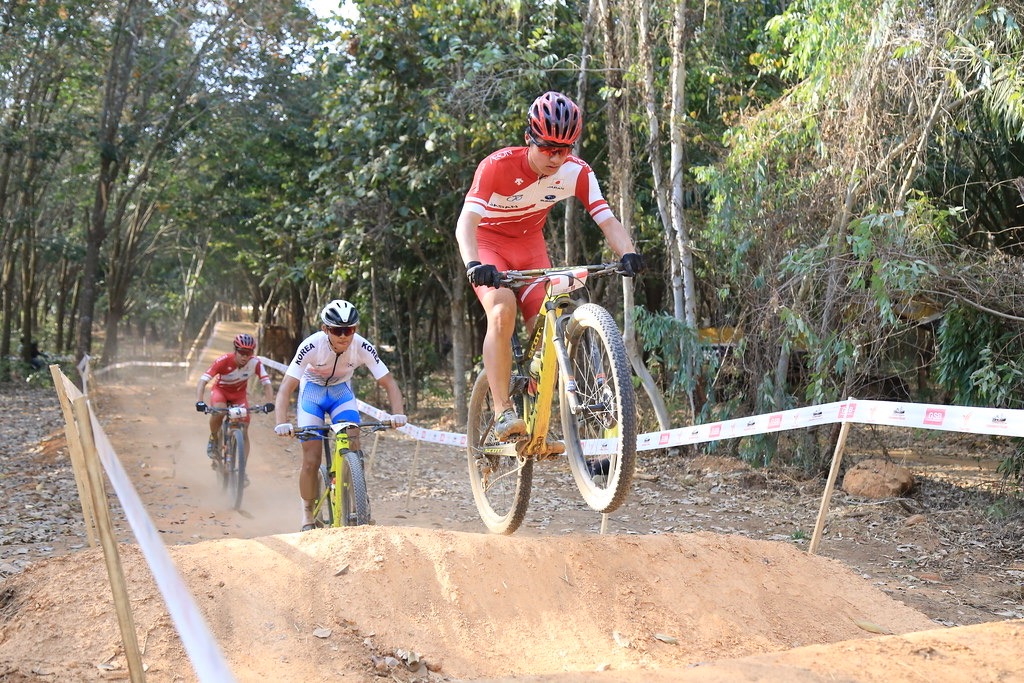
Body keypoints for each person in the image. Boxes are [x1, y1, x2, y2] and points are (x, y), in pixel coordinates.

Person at [455, 90, 644, 446]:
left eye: (565, 148)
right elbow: (466, 222)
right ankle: (501, 410)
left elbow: (607, 221)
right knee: (501, 309)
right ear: (530, 138)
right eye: (548, 147)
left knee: (548, 330)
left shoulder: (577, 172)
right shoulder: (496, 166)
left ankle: (542, 415)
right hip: (489, 244)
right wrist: (474, 264)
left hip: (530, 247)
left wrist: (629, 253)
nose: (556, 157)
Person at [273, 299, 407, 532]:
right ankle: (306, 511)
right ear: (325, 329)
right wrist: (282, 422)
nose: (344, 336)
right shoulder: (311, 345)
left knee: (354, 444)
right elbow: (286, 388)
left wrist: (398, 414)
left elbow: (389, 383)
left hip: (340, 394)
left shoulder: (362, 346)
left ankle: (357, 499)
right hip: (312, 395)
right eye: (337, 330)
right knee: (312, 460)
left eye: (350, 330)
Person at [194, 333, 275, 471]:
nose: (244, 356)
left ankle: (242, 470)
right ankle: (214, 438)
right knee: (219, 410)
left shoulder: (255, 363)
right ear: (235, 350)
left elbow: (266, 384)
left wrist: (269, 402)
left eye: (248, 353)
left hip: (239, 395)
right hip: (221, 391)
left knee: (244, 428)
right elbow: (203, 381)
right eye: (242, 352)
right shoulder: (223, 361)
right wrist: (200, 401)